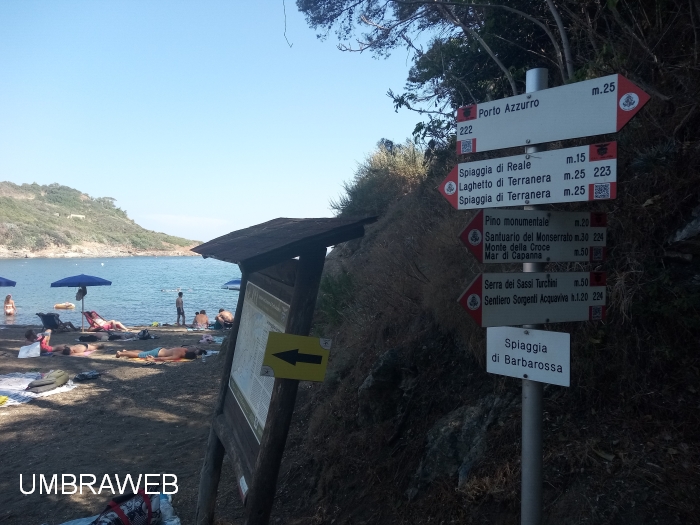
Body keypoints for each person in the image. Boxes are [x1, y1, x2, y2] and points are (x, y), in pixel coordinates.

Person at [115, 346, 207, 361]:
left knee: (142, 352)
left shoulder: (184, 349)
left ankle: (125, 352)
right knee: (139, 355)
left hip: (161, 349)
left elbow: (194, 349)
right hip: (157, 353)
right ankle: (120, 354)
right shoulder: (177, 356)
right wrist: (153, 359)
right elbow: (164, 359)